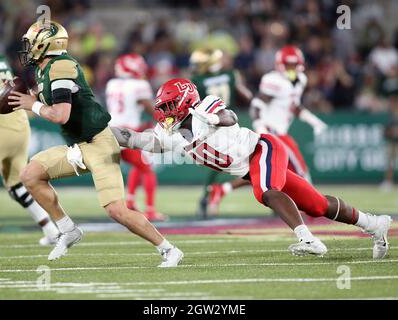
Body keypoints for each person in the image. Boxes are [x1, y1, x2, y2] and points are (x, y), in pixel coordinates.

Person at [112, 78, 392, 259]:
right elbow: (133, 138)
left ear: (186, 101)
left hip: (263, 149)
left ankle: (307, 239)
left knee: (266, 192)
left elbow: (229, 115)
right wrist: (99, 129)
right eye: (163, 107)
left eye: (170, 106)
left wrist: (210, 117)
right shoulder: (170, 136)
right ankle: (374, 224)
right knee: (317, 205)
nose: (165, 113)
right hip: (250, 167)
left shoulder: (205, 108)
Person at [9, 20, 183, 267]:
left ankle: (169, 249)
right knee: (30, 175)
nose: (28, 47)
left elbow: (60, 115)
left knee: (117, 211)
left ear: (46, 44)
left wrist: (32, 104)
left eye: (32, 42)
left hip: (98, 144)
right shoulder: (44, 68)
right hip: (79, 146)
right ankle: (67, 229)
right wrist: (19, 100)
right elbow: (41, 99)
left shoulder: (61, 67)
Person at [207, 46, 328, 214]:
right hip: (272, 132)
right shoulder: (273, 80)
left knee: (263, 171)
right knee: (300, 170)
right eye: (288, 66)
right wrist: (260, 126)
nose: (292, 70)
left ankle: (223, 189)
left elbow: (294, 106)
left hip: (280, 131)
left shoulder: (300, 79)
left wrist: (314, 121)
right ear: (280, 65)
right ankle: (313, 205)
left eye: (294, 66)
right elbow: (257, 105)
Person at [0, 32, 59, 248]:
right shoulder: (0, 60)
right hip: (20, 125)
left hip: (0, 124)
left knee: (17, 185)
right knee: (16, 186)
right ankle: (51, 230)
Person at [189, 48, 253, 217]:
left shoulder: (197, 80)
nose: (197, 67)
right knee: (247, 161)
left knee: (219, 162)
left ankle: (207, 196)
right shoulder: (231, 74)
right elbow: (246, 96)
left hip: (209, 124)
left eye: (200, 64)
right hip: (230, 120)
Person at [106, 53, 166, 221]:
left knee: (138, 165)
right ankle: (150, 210)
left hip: (111, 132)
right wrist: (165, 121)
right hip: (127, 134)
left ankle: (130, 201)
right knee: (147, 168)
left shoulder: (112, 83)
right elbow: (149, 107)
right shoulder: (139, 85)